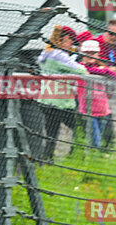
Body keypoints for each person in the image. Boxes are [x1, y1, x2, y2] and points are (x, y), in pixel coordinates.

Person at [36, 25, 88, 161]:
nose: (72, 45)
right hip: (60, 101)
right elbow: (80, 70)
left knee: (51, 133)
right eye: (72, 41)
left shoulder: (46, 53)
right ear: (65, 39)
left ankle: (47, 160)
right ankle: (76, 156)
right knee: (81, 127)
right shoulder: (59, 55)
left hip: (45, 100)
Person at [76, 39, 116, 150]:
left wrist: (104, 70)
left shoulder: (102, 67)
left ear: (98, 54)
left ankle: (98, 158)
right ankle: (94, 158)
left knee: (101, 136)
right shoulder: (80, 67)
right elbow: (86, 69)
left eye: (93, 53)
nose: (90, 56)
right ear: (82, 54)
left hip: (103, 108)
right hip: (88, 109)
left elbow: (115, 77)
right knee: (95, 141)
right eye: (87, 53)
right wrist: (102, 71)